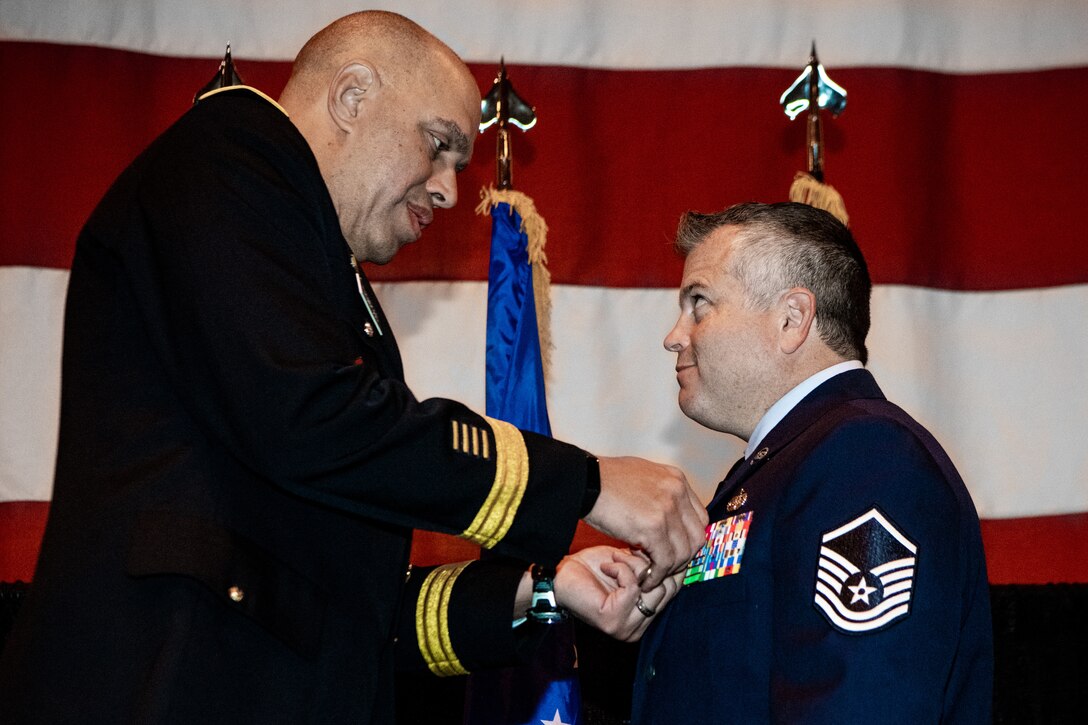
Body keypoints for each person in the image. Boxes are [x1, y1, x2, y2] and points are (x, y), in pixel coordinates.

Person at [0, 11, 704, 724]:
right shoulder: (224, 162)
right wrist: (583, 481)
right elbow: (310, 418)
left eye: (459, 164)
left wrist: (544, 590)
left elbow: (357, 607)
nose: (450, 191)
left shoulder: (326, 280)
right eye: (438, 145)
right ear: (352, 95)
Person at [631, 202, 993, 723]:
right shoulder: (785, 466)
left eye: (700, 304)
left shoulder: (865, 458)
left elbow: (861, 704)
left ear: (792, 319)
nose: (674, 335)